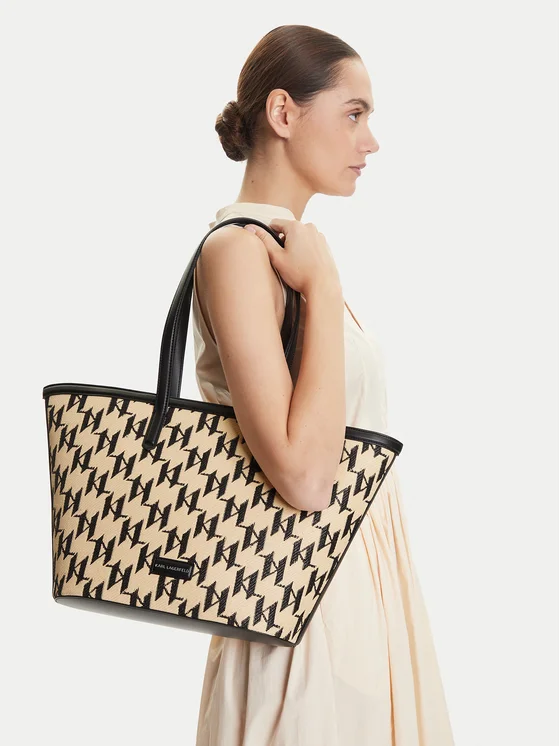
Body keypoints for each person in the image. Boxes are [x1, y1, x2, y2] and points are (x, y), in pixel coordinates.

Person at [192, 23, 455, 746]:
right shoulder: (237, 252)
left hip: (352, 595)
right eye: (354, 113)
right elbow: (306, 480)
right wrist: (325, 283)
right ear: (283, 113)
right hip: (300, 612)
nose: (371, 141)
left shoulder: (287, 251)